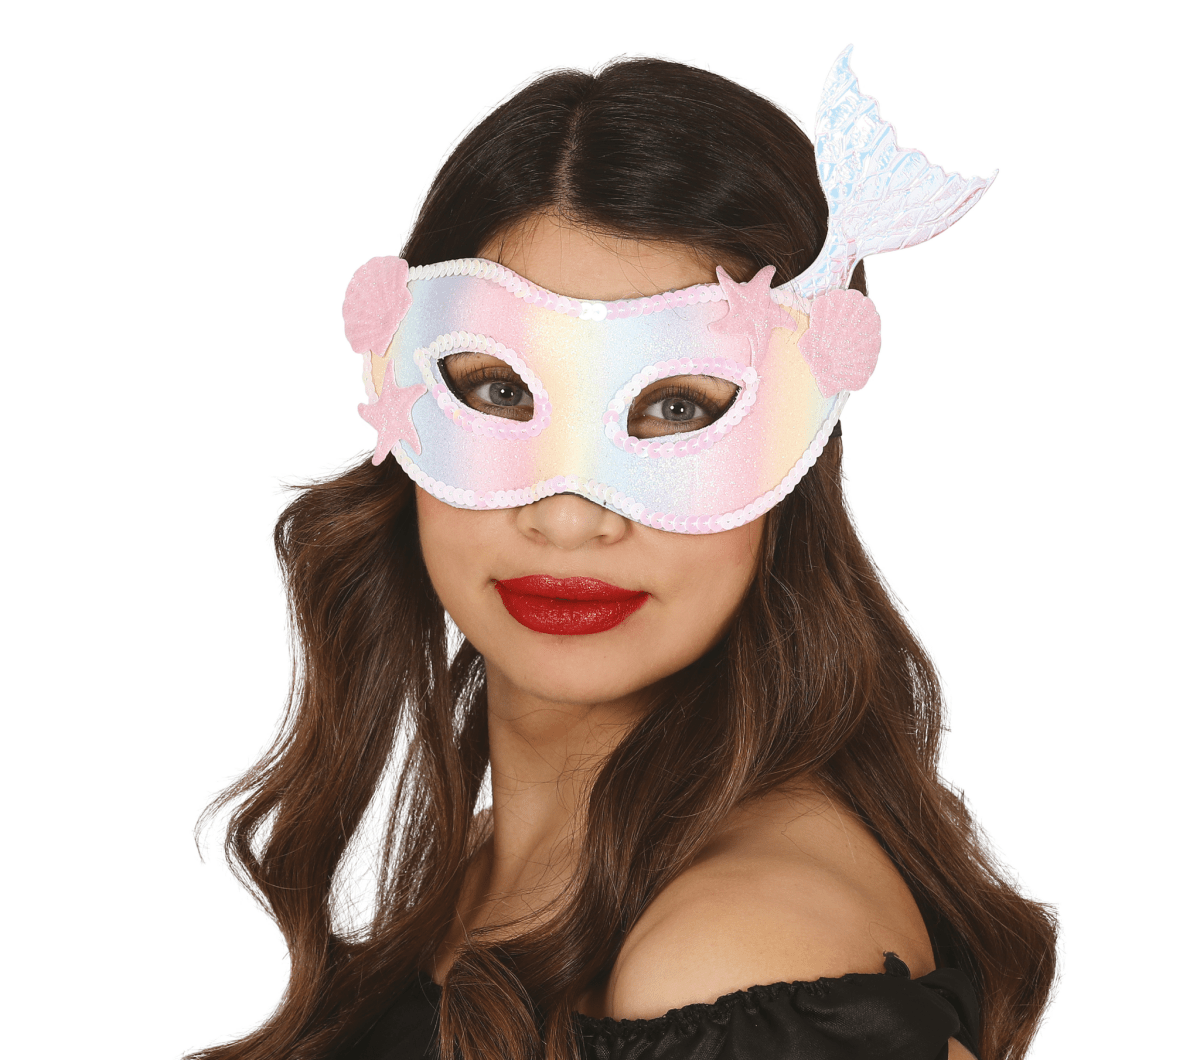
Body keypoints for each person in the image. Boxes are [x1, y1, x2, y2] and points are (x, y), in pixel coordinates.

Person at [189, 51, 1056, 1060]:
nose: (569, 518)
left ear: (799, 458)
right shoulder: (505, 876)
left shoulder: (732, 952)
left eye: (678, 408)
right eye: (500, 392)